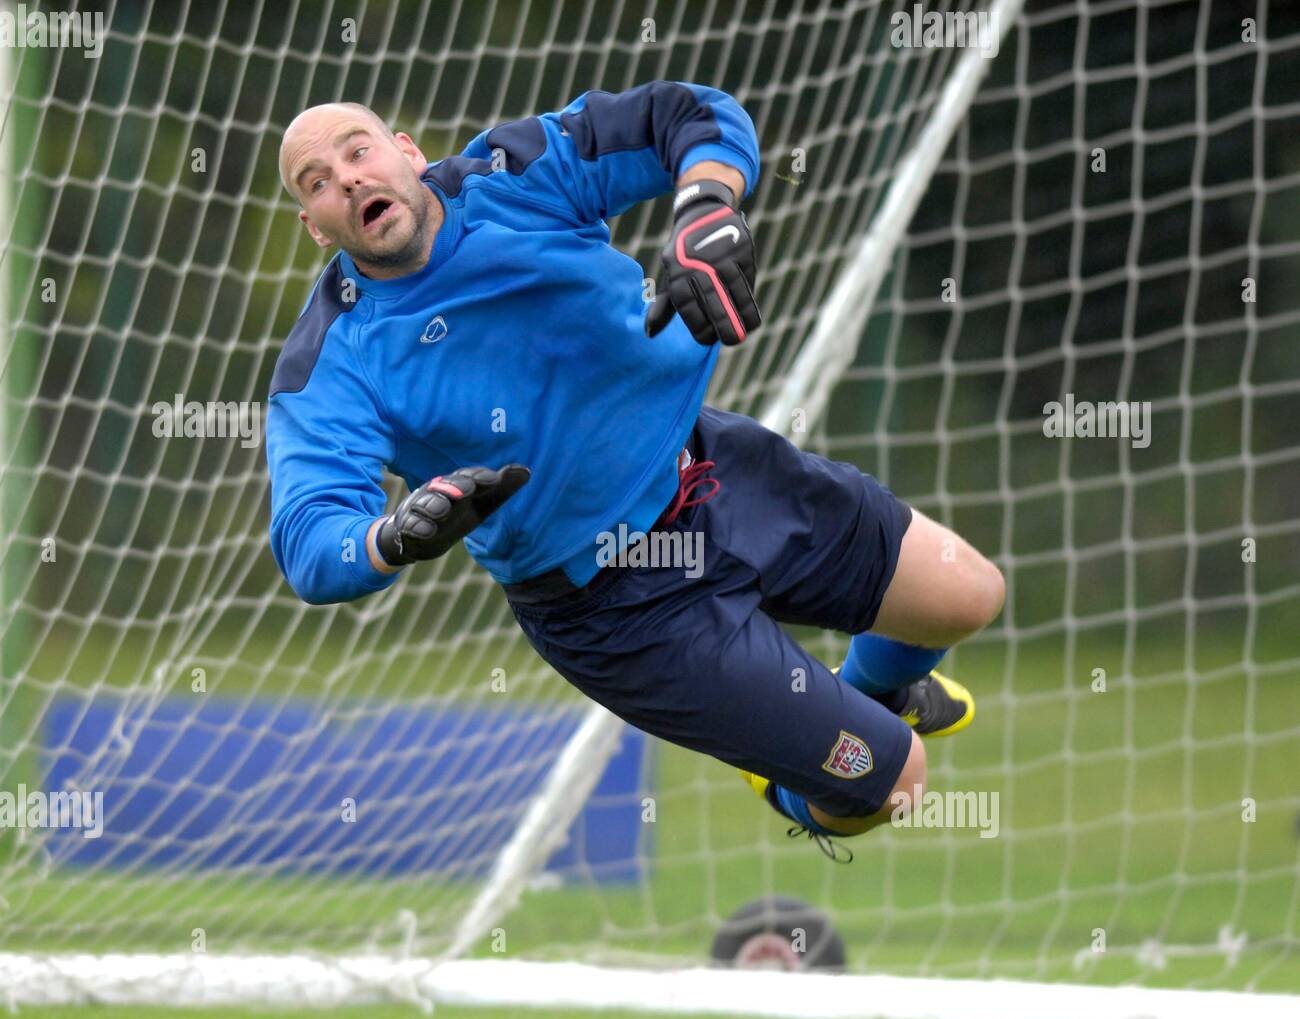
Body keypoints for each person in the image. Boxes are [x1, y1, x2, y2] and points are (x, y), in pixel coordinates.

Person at [266, 81, 1005, 862]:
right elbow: (310, 542)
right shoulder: (332, 360)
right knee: (899, 784)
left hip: (713, 471)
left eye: (358, 150)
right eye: (317, 183)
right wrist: (389, 538)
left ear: (406, 151)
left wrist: (704, 205)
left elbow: (684, 115)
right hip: (615, 606)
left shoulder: (513, 173)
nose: (346, 178)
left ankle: (868, 697)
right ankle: (786, 778)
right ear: (315, 229)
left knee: (967, 595)